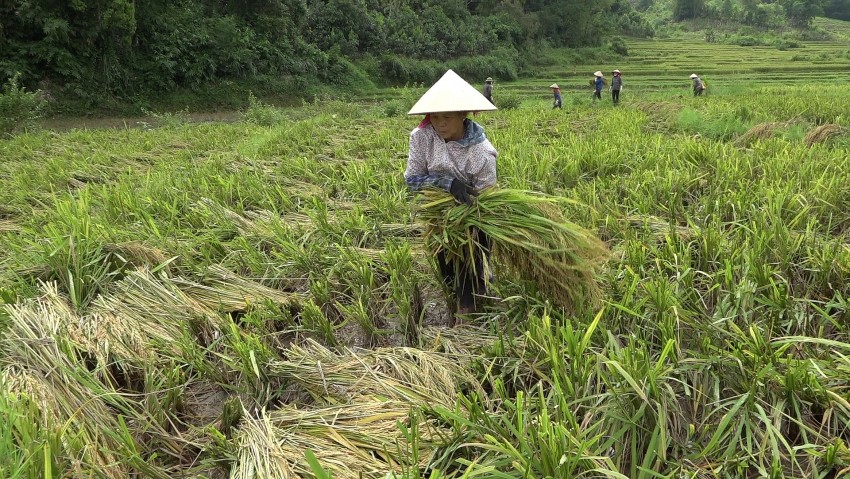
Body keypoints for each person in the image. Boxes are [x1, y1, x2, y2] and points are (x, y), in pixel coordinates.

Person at [404, 69, 498, 320]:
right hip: (438, 214)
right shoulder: (422, 137)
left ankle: (470, 313)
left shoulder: (482, 152)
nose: (440, 123)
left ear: (463, 115)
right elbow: (411, 180)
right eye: (435, 117)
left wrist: (468, 205)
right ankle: (464, 292)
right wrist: (447, 183)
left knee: (471, 262)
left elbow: (487, 197)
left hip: (473, 213)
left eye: (447, 117)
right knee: (446, 268)